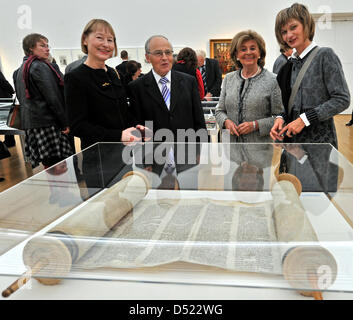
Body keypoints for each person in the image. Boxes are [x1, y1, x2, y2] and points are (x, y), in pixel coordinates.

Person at [270, 3, 350, 148]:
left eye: (293, 27)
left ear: (306, 25)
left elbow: (342, 99)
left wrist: (305, 119)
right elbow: (287, 103)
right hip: (293, 144)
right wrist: (280, 118)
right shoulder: (289, 65)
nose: (289, 35)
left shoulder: (325, 55)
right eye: (284, 32)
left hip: (320, 143)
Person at [64, 19, 144, 151]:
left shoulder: (114, 73)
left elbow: (123, 111)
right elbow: (78, 126)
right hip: (98, 157)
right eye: (100, 38)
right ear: (85, 39)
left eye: (110, 40)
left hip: (124, 153)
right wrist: (118, 135)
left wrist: (137, 127)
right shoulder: (75, 77)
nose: (106, 44)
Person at [128, 35, 207, 142]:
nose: (164, 57)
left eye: (168, 52)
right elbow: (137, 125)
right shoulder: (137, 87)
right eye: (158, 53)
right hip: (154, 152)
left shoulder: (189, 82)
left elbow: (199, 120)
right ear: (147, 57)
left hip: (187, 150)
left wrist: (200, 151)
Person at [13, 33, 73, 169]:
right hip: (47, 123)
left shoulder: (19, 70)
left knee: (50, 164)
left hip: (33, 124)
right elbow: (53, 97)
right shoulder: (39, 66)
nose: (47, 49)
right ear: (30, 48)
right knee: (59, 164)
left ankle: (56, 190)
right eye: (42, 45)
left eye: (47, 45)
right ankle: (61, 190)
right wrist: (64, 123)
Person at [215, 30, 284, 143]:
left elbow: (280, 117)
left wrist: (255, 125)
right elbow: (219, 110)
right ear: (236, 55)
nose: (248, 52)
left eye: (252, 48)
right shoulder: (228, 79)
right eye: (243, 49)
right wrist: (226, 121)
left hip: (260, 151)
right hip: (231, 150)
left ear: (260, 53)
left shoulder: (273, 80)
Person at [0, 70, 16, 147]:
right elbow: (3, 82)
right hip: (4, 98)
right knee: (7, 121)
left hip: (3, 99)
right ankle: (10, 141)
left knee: (6, 121)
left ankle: (10, 141)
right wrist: (12, 90)